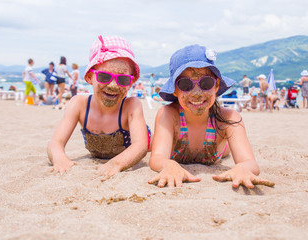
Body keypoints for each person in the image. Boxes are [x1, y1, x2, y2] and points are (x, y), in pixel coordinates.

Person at [148, 44, 273, 189]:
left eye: (205, 83)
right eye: (185, 84)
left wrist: (243, 168)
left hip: (220, 148)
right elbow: (157, 158)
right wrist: (169, 165)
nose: (196, 93)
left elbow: (249, 162)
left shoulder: (229, 118)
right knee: (150, 144)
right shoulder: (169, 115)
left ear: (217, 85)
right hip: (177, 139)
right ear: (175, 90)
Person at [47, 35, 150, 180]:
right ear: (89, 77)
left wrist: (116, 163)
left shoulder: (131, 106)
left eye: (123, 79)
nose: (113, 85)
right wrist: (60, 159)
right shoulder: (79, 105)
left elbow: (140, 145)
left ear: (130, 82)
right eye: (104, 77)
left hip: (142, 137)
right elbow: (55, 143)